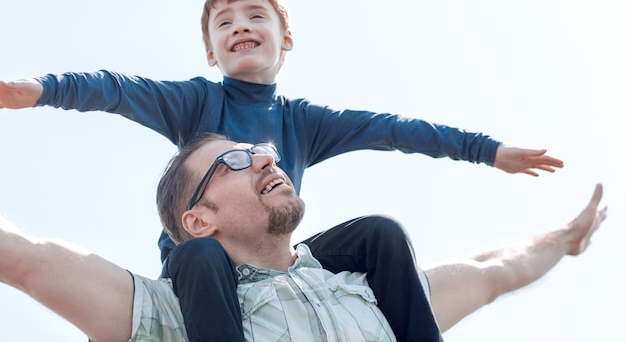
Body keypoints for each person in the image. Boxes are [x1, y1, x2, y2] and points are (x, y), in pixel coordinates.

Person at [0, 0, 564, 342]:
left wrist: (488, 151)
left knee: (380, 235)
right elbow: (118, 88)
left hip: (274, 248)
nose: (239, 26)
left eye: (254, 16)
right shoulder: (196, 100)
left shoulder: (304, 120)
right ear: (211, 50)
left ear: (284, 37)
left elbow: (396, 131)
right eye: (223, 23)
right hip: (208, 265)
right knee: (200, 258)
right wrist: (40, 88)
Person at [0, 133, 606, 342]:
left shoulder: (376, 296)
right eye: (237, 160)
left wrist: (564, 240)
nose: (266, 160)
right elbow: (24, 259)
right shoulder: (169, 315)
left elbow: (494, 271)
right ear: (198, 220)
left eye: (264, 151)